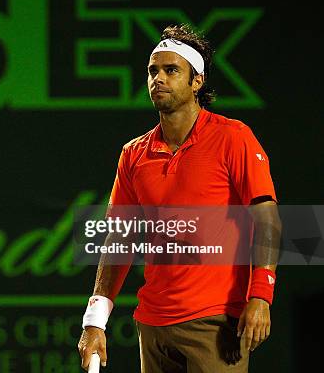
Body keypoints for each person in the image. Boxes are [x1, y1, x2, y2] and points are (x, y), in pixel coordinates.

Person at [77, 24, 282, 372]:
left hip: (216, 323)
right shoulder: (133, 154)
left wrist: (261, 295)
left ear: (196, 81)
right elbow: (119, 240)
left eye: (171, 70)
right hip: (153, 327)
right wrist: (95, 320)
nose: (159, 78)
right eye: (153, 71)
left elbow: (267, 219)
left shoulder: (234, 138)